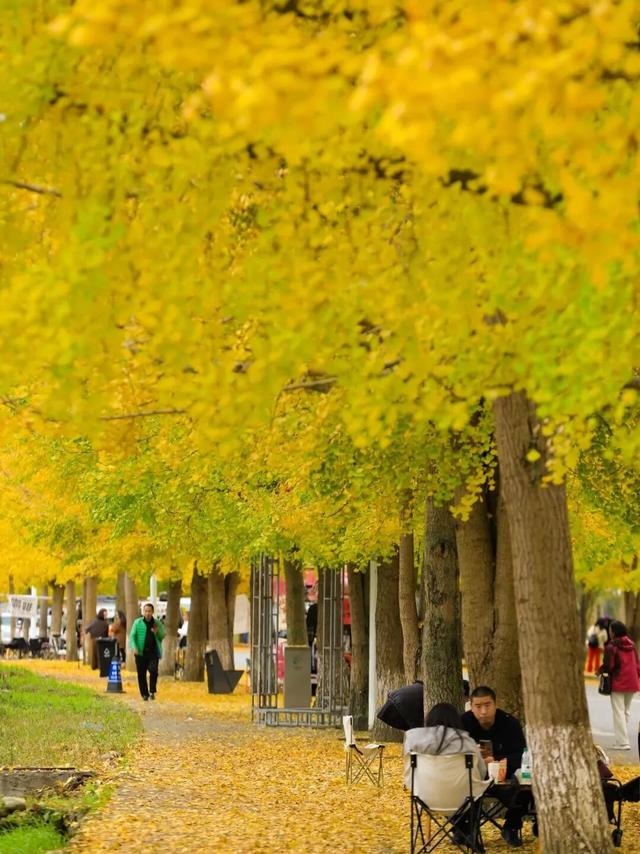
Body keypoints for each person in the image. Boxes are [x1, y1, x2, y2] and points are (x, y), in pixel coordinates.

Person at [404, 703, 487, 845]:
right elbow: (481, 772)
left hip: (425, 799)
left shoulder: (413, 740)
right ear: (456, 721)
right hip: (462, 800)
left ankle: (460, 832)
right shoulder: (467, 742)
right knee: (476, 790)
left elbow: (408, 773)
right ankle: (468, 834)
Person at [461, 686, 528, 848]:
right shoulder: (463, 722)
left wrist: (495, 760)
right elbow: (454, 755)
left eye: (488, 705)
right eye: (478, 706)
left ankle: (511, 826)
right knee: (459, 790)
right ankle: (463, 830)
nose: (483, 711)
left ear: (495, 704)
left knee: (526, 788)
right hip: (472, 778)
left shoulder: (509, 723)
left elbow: (521, 755)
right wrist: (473, 756)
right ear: (471, 705)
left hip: (503, 777)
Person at [598, 620, 640, 750]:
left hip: (619, 682)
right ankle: (622, 738)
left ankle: (622, 742)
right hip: (632, 682)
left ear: (614, 632)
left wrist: (600, 671)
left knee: (619, 712)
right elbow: (637, 664)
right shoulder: (632, 645)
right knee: (625, 711)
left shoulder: (612, 647)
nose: (609, 632)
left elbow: (609, 666)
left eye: (610, 630)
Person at [129, 603, 165, 701]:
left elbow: (162, 636)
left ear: (152, 612)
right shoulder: (137, 622)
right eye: (145, 611)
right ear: (143, 612)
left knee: (153, 670)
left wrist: (157, 632)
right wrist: (134, 647)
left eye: (149, 611)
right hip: (140, 653)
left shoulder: (157, 623)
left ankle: (152, 690)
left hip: (153, 653)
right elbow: (132, 636)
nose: (147, 613)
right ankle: (144, 694)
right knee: (141, 674)